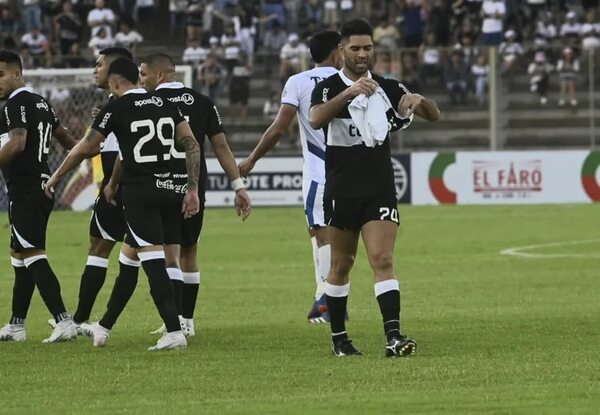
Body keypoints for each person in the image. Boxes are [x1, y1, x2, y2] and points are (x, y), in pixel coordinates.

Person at [45, 58, 201, 351]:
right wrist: (192, 188)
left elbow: (87, 146)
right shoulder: (166, 103)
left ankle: (173, 331)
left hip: (142, 194)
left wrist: (56, 175)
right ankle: (103, 327)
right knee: (129, 258)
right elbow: (190, 143)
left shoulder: (115, 108)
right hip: (172, 189)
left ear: (115, 83)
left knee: (153, 263)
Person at [308, 19, 440, 357]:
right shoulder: (327, 87)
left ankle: (393, 337)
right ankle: (339, 339)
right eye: (356, 48)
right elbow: (316, 118)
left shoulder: (386, 86)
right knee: (341, 264)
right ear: (342, 50)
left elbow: (434, 115)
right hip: (341, 189)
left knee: (382, 258)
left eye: (368, 48)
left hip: (379, 187)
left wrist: (417, 101)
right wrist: (350, 92)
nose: (363, 54)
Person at [130, 52, 251, 336]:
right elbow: (221, 146)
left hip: (160, 183)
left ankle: (173, 323)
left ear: (160, 75)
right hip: (195, 184)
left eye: (144, 74)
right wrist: (238, 187)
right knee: (190, 250)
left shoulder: (146, 103)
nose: (141, 79)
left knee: (167, 254)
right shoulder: (203, 101)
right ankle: (187, 321)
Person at [238, 30, 343, 324]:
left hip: (319, 171)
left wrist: (252, 158)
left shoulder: (298, 82)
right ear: (336, 51)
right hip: (351, 169)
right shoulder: (350, 81)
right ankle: (326, 294)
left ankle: (327, 301)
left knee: (321, 234)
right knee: (340, 236)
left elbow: (278, 129)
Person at [47, 47, 134, 333]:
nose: (94, 70)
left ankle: (82, 322)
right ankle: (180, 322)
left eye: (99, 65)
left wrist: (58, 174)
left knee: (104, 249)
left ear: (114, 69)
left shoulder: (120, 104)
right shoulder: (121, 102)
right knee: (147, 254)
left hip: (119, 188)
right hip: (143, 187)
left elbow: (87, 147)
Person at [0, 50, 78, 343]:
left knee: (33, 255)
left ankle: (64, 321)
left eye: (1, 75)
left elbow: (17, 144)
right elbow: (69, 140)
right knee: (19, 255)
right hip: (39, 187)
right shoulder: (41, 102)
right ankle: (16, 325)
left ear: (17, 73)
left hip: (26, 189)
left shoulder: (15, 103)